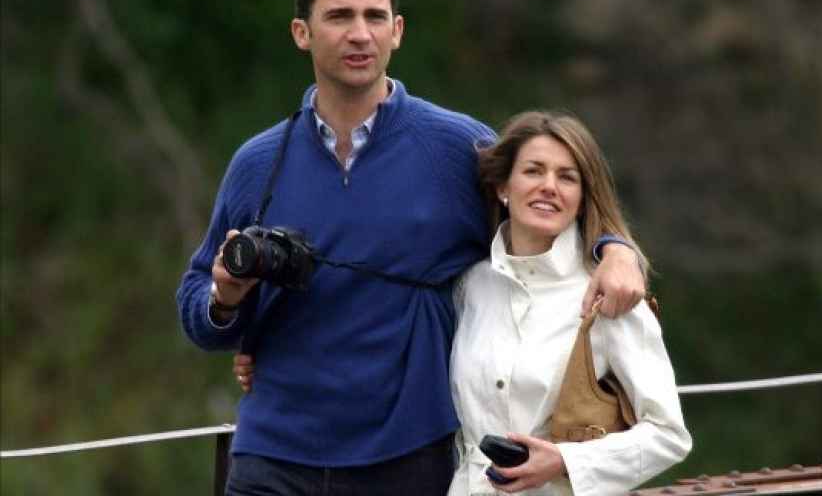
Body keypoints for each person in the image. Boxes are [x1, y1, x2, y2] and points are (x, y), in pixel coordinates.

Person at [176, 0, 646, 495]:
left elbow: (551, 211)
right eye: (339, 16)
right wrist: (225, 299)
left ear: (397, 31)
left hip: (407, 457)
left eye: (375, 17)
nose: (360, 34)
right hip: (272, 457)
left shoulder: (458, 148)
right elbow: (197, 309)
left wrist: (616, 249)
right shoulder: (258, 163)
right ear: (302, 33)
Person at [235, 111, 691, 494]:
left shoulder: (610, 295)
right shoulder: (470, 285)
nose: (549, 186)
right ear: (503, 187)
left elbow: (669, 436)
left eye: (567, 177)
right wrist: (272, 351)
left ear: (582, 198)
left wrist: (566, 462)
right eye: (534, 171)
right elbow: (388, 328)